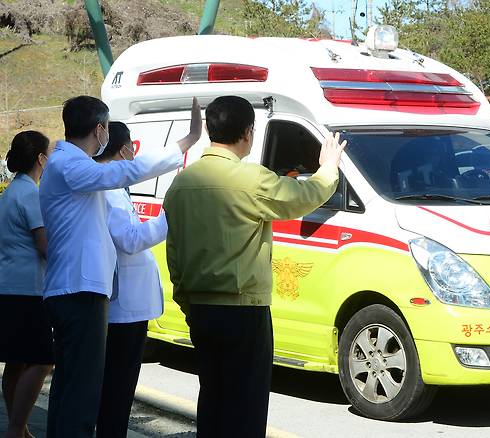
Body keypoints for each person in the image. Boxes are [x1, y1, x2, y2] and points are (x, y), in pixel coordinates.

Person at [164, 95, 346, 438]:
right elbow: (302, 198)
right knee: (245, 408)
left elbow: (175, 254)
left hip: (200, 309)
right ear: (248, 132)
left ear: (208, 129)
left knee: (213, 400)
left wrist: (187, 303)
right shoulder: (250, 179)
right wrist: (328, 167)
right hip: (243, 311)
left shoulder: (181, 183)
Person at [39, 95, 201, 438]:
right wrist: (183, 144)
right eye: (107, 129)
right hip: (78, 290)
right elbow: (125, 170)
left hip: (78, 289)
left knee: (71, 388)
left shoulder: (71, 165)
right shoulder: (71, 165)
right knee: (81, 392)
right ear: (99, 130)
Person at [91, 122, 169, 437]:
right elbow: (130, 239)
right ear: (126, 149)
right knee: (118, 387)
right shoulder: (110, 189)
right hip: (123, 307)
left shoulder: (112, 186)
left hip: (127, 303)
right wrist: (168, 218)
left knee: (118, 386)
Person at [0, 131, 53, 438]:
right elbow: (44, 245)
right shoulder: (31, 194)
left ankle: (16, 428)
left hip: (9, 285)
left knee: (16, 362)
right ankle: (16, 429)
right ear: (40, 159)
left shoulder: (11, 191)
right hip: (28, 289)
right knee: (43, 360)